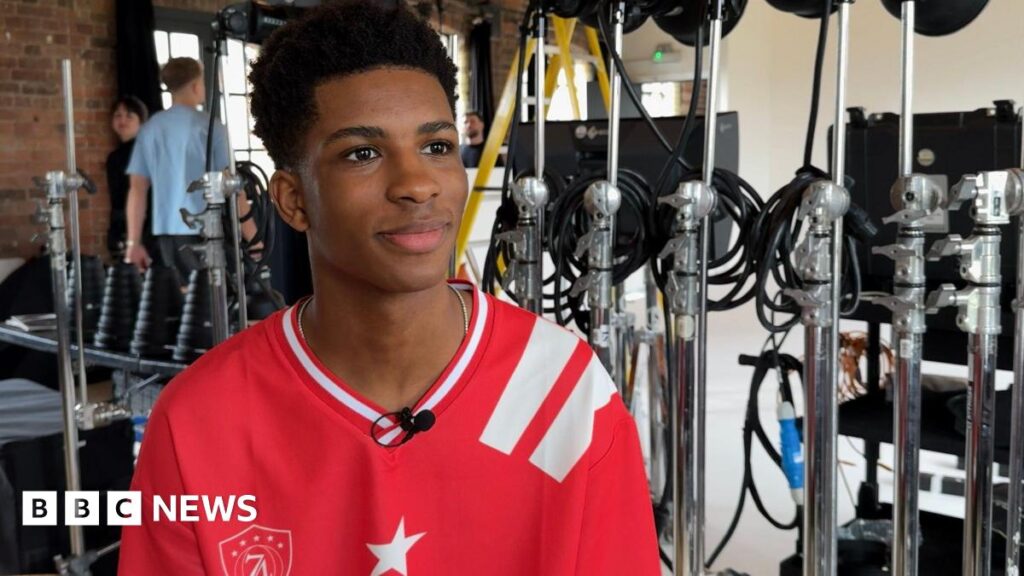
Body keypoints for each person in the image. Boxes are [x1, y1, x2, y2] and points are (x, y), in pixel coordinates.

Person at [118, 3, 660, 575]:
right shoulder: (199, 421)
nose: (417, 184)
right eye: (362, 154)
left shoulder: (562, 391)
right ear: (292, 200)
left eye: (436, 147)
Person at [123, 57, 230, 284]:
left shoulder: (150, 128)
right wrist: (254, 238)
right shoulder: (211, 126)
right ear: (195, 85)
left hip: (166, 236)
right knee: (213, 304)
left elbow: (137, 190)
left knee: (184, 307)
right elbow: (231, 185)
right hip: (207, 232)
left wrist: (133, 243)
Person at [105, 96, 150, 257]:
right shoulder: (114, 156)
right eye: (118, 115)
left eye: (129, 116)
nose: (122, 120)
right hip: (121, 226)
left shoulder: (145, 151)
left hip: (144, 229)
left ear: (142, 122)